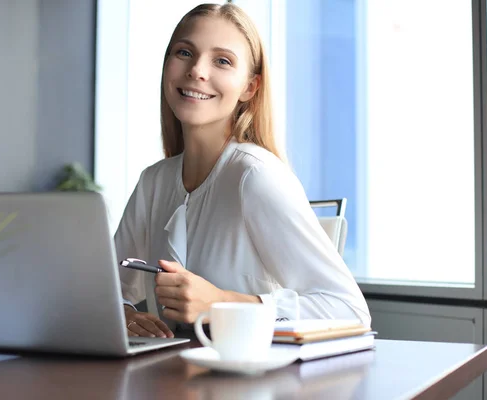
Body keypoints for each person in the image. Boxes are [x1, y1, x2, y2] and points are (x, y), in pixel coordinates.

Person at [115, 3, 371, 339]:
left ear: (250, 87)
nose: (197, 71)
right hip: (174, 381)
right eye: (184, 52)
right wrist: (124, 314)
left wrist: (222, 302)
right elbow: (109, 289)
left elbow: (350, 310)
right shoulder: (154, 182)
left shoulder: (255, 177)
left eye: (222, 60)